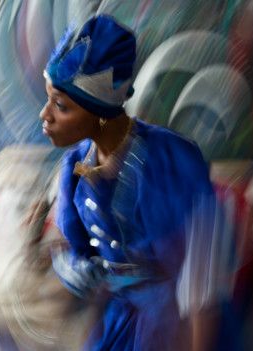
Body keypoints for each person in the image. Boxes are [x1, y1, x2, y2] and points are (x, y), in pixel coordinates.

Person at [41, 15, 235, 351]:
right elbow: (83, 260)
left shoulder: (172, 161)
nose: (45, 115)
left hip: (176, 320)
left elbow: (201, 273)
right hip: (119, 319)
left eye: (61, 105)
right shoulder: (75, 166)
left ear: (99, 110)